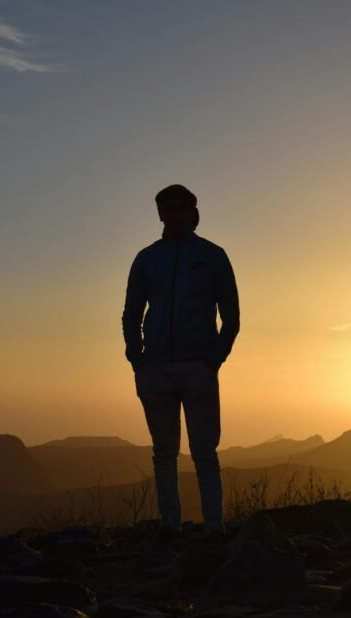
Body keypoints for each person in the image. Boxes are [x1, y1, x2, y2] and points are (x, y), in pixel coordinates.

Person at [122, 184, 239, 542]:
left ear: (192, 212)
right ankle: (170, 527)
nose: (174, 214)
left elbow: (231, 316)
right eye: (167, 208)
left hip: (196, 367)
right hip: (155, 368)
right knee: (164, 453)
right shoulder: (146, 258)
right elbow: (131, 311)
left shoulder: (213, 255)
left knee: (204, 453)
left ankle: (214, 529)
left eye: (180, 207)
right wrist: (137, 358)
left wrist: (213, 360)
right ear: (159, 213)